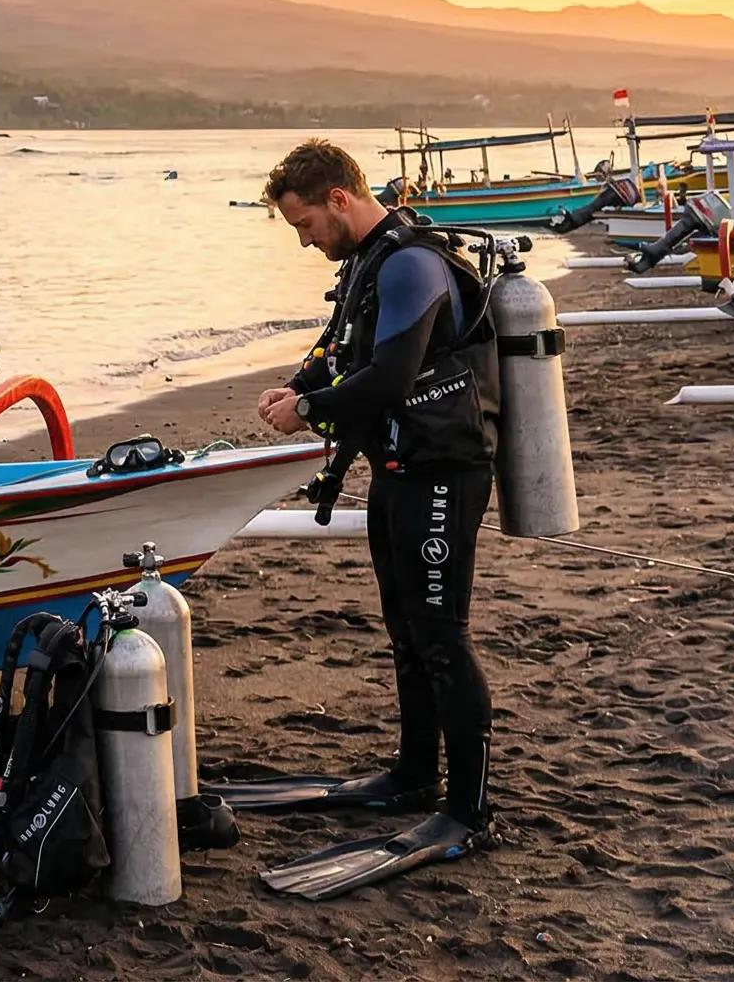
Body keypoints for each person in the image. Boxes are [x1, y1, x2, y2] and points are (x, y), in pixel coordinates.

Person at [235, 139, 502, 900]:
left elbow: (390, 375)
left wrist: (309, 410)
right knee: (407, 632)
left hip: (445, 470)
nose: (305, 239)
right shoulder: (365, 264)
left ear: (341, 200)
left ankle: (469, 807)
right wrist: (296, 383)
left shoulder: (412, 261)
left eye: (307, 223)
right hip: (397, 469)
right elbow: (342, 347)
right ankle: (415, 776)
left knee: (441, 636)